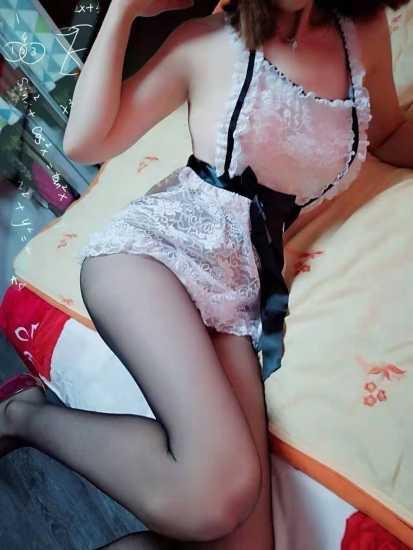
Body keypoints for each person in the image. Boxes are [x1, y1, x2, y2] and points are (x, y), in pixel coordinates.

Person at [1, 0, 411, 548]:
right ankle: (22, 415)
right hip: (152, 254)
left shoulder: (359, 32)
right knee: (213, 494)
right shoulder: (207, 41)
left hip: (238, 294)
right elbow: (85, 143)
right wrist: (123, 12)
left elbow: (388, 131)